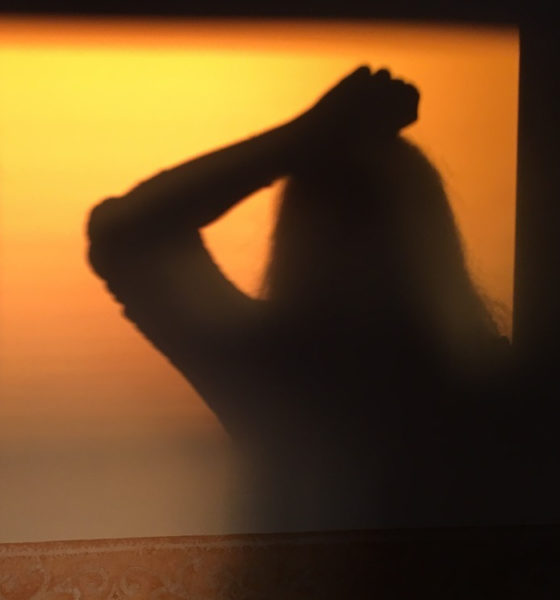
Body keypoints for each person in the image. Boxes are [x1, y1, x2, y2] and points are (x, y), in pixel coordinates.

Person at [87, 66, 518, 530]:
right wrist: (312, 136)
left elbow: (128, 234)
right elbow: (127, 235)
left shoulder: (275, 377)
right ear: (432, 236)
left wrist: (306, 137)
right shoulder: (495, 387)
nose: (360, 249)